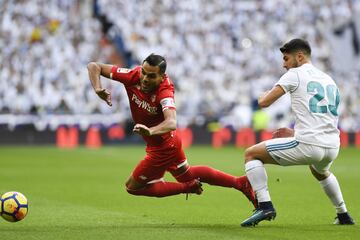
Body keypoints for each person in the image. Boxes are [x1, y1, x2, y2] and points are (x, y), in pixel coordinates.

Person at [87, 54, 256, 207]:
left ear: (162, 77)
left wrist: (151, 131)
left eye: (151, 76)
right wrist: (97, 88)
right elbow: (94, 66)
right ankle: (240, 183)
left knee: (132, 187)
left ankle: (187, 188)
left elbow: (171, 122)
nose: (145, 79)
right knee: (187, 174)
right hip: (169, 141)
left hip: (163, 146)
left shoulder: (165, 91)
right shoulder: (133, 75)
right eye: (144, 72)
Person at [240, 39, 355, 227]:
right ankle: (343, 214)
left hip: (309, 144)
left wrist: (261, 94)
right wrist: (294, 132)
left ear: (299, 56)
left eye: (286, 59)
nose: (284, 64)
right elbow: (321, 119)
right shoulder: (328, 79)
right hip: (332, 145)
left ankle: (265, 205)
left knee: (251, 154)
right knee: (320, 171)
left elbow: (264, 102)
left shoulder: (295, 74)